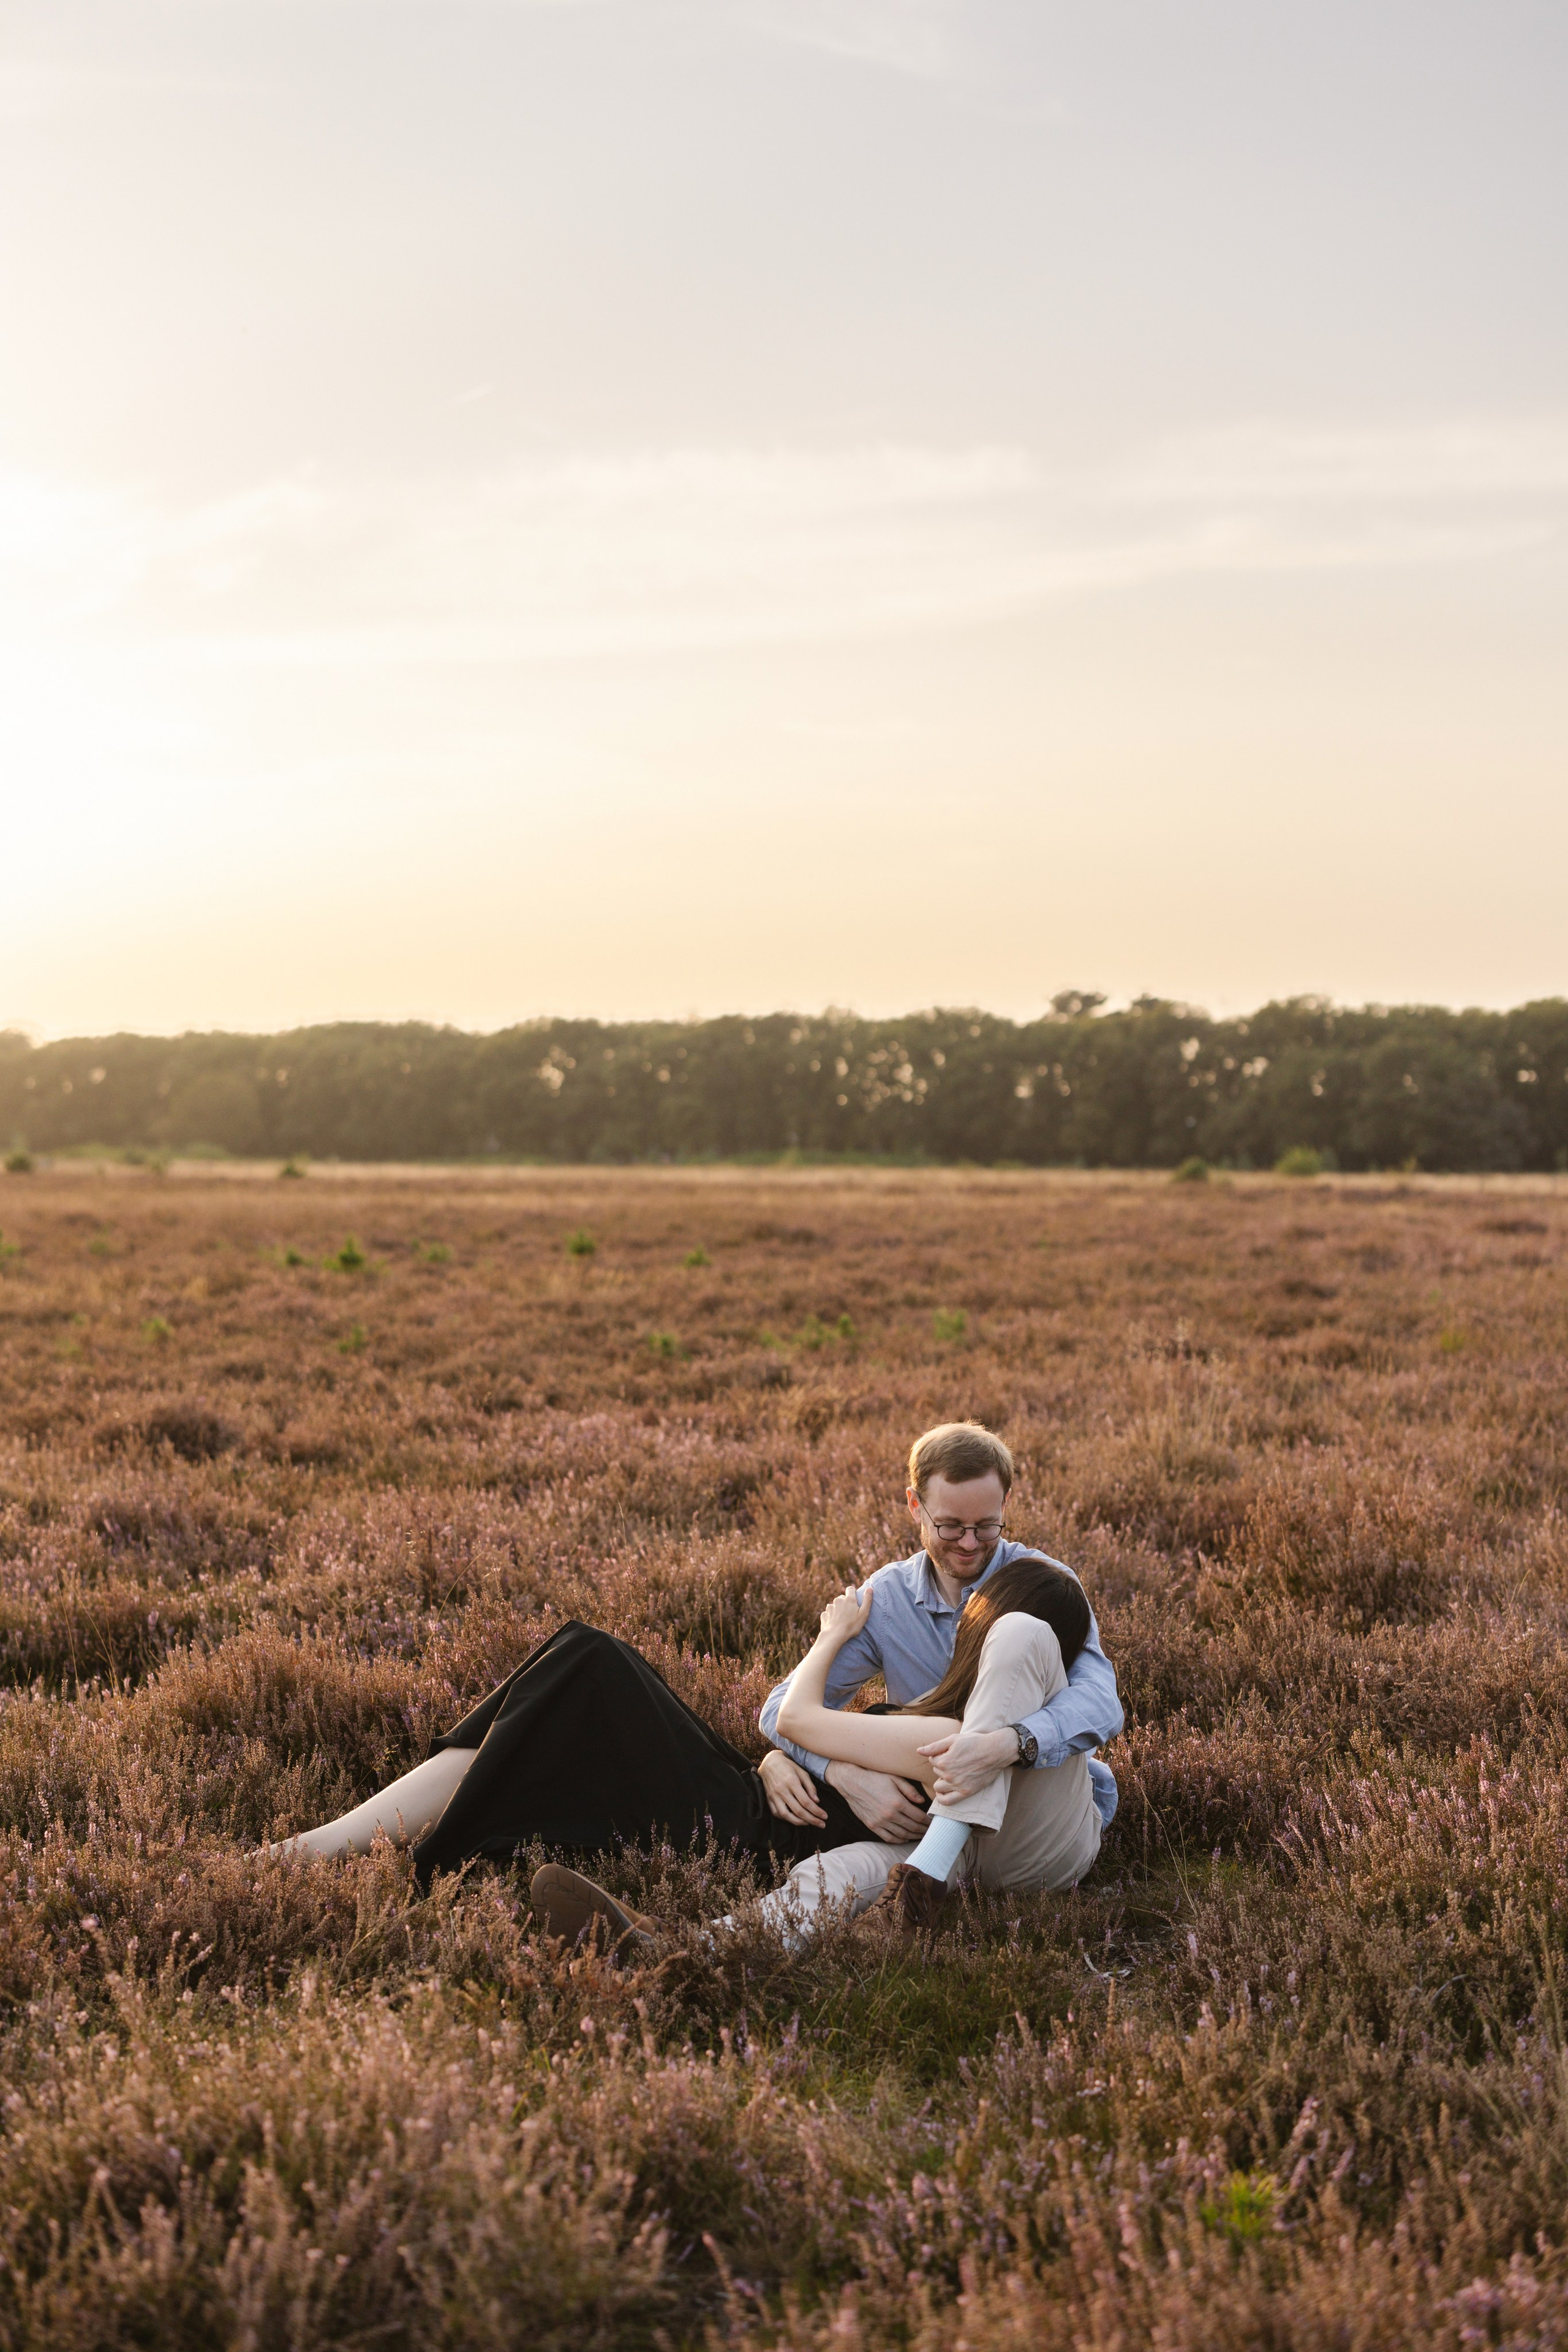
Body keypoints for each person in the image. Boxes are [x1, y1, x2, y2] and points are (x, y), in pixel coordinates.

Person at [530, 1422, 1123, 1951]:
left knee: (1018, 1633)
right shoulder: (889, 1599)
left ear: (1006, 1504)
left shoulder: (1043, 1583)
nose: (970, 1543)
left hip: (1037, 1832)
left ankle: (922, 1878)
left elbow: (1100, 1703)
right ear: (914, 1505)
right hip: (946, 1841)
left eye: (986, 1526)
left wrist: (1005, 1745)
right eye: (950, 1526)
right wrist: (836, 1772)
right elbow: (782, 1708)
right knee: (828, 1877)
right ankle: (690, 1953)